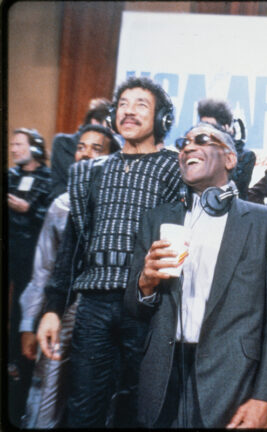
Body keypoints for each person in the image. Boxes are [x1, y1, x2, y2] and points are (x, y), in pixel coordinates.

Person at [124, 122, 267, 428]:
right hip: (162, 382)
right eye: (183, 142)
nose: (188, 147)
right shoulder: (157, 219)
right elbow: (134, 309)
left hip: (232, 381)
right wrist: (144, 284)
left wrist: (266, 397)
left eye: (202, 139)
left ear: (230, 159)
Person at [36, 76, 183, 428]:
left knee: (140, 412)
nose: (129, 111)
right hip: (93, 306)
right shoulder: (89, 172)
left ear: (162, 118)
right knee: (83, 409)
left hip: (149, 306)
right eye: (123, 104)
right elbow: (72, 247)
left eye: (141, 105)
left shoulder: (176, 168)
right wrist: (53, 308)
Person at [19, 124, 120, 428]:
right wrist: (29, 323)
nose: (85, 154)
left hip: (103, 316)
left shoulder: (119, 208)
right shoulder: (61, 204)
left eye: (96, 149)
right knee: (47, 397)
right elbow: (43, 271)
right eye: (81, 147)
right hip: (61, 313)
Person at [8, 127, 52, 425]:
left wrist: (27, 209)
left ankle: (17, 365)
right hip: (9, 246)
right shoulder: (10, 176)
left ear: (35, 148)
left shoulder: (48, 178)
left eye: (19, 144)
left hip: (31, 254)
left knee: (22, 313)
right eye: (12, 144)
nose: (13, 149)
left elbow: (49, 218)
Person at [49, 97, 112, 200]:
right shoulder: (64, 142)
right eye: (110, 125)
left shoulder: (112, 145)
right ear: (95, 122)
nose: (113, 131)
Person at [197, 97, 256, 200]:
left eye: (212, 126)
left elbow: (233, 185)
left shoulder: (245, 156)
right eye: (203, 125)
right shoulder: (193, 151)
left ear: (226, 128)